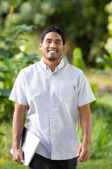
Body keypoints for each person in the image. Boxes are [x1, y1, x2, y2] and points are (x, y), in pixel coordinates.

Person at [9, 27, 96, 169]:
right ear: (40, 46)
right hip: (37, 149)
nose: (53, 45)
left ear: (63, 47)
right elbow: (19, 111)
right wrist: (16, 144)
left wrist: (86, 141)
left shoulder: (77, 75)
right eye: (48, 41)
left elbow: (85, 110)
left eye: (57, 42)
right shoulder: (26, 75)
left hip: (67, 149)